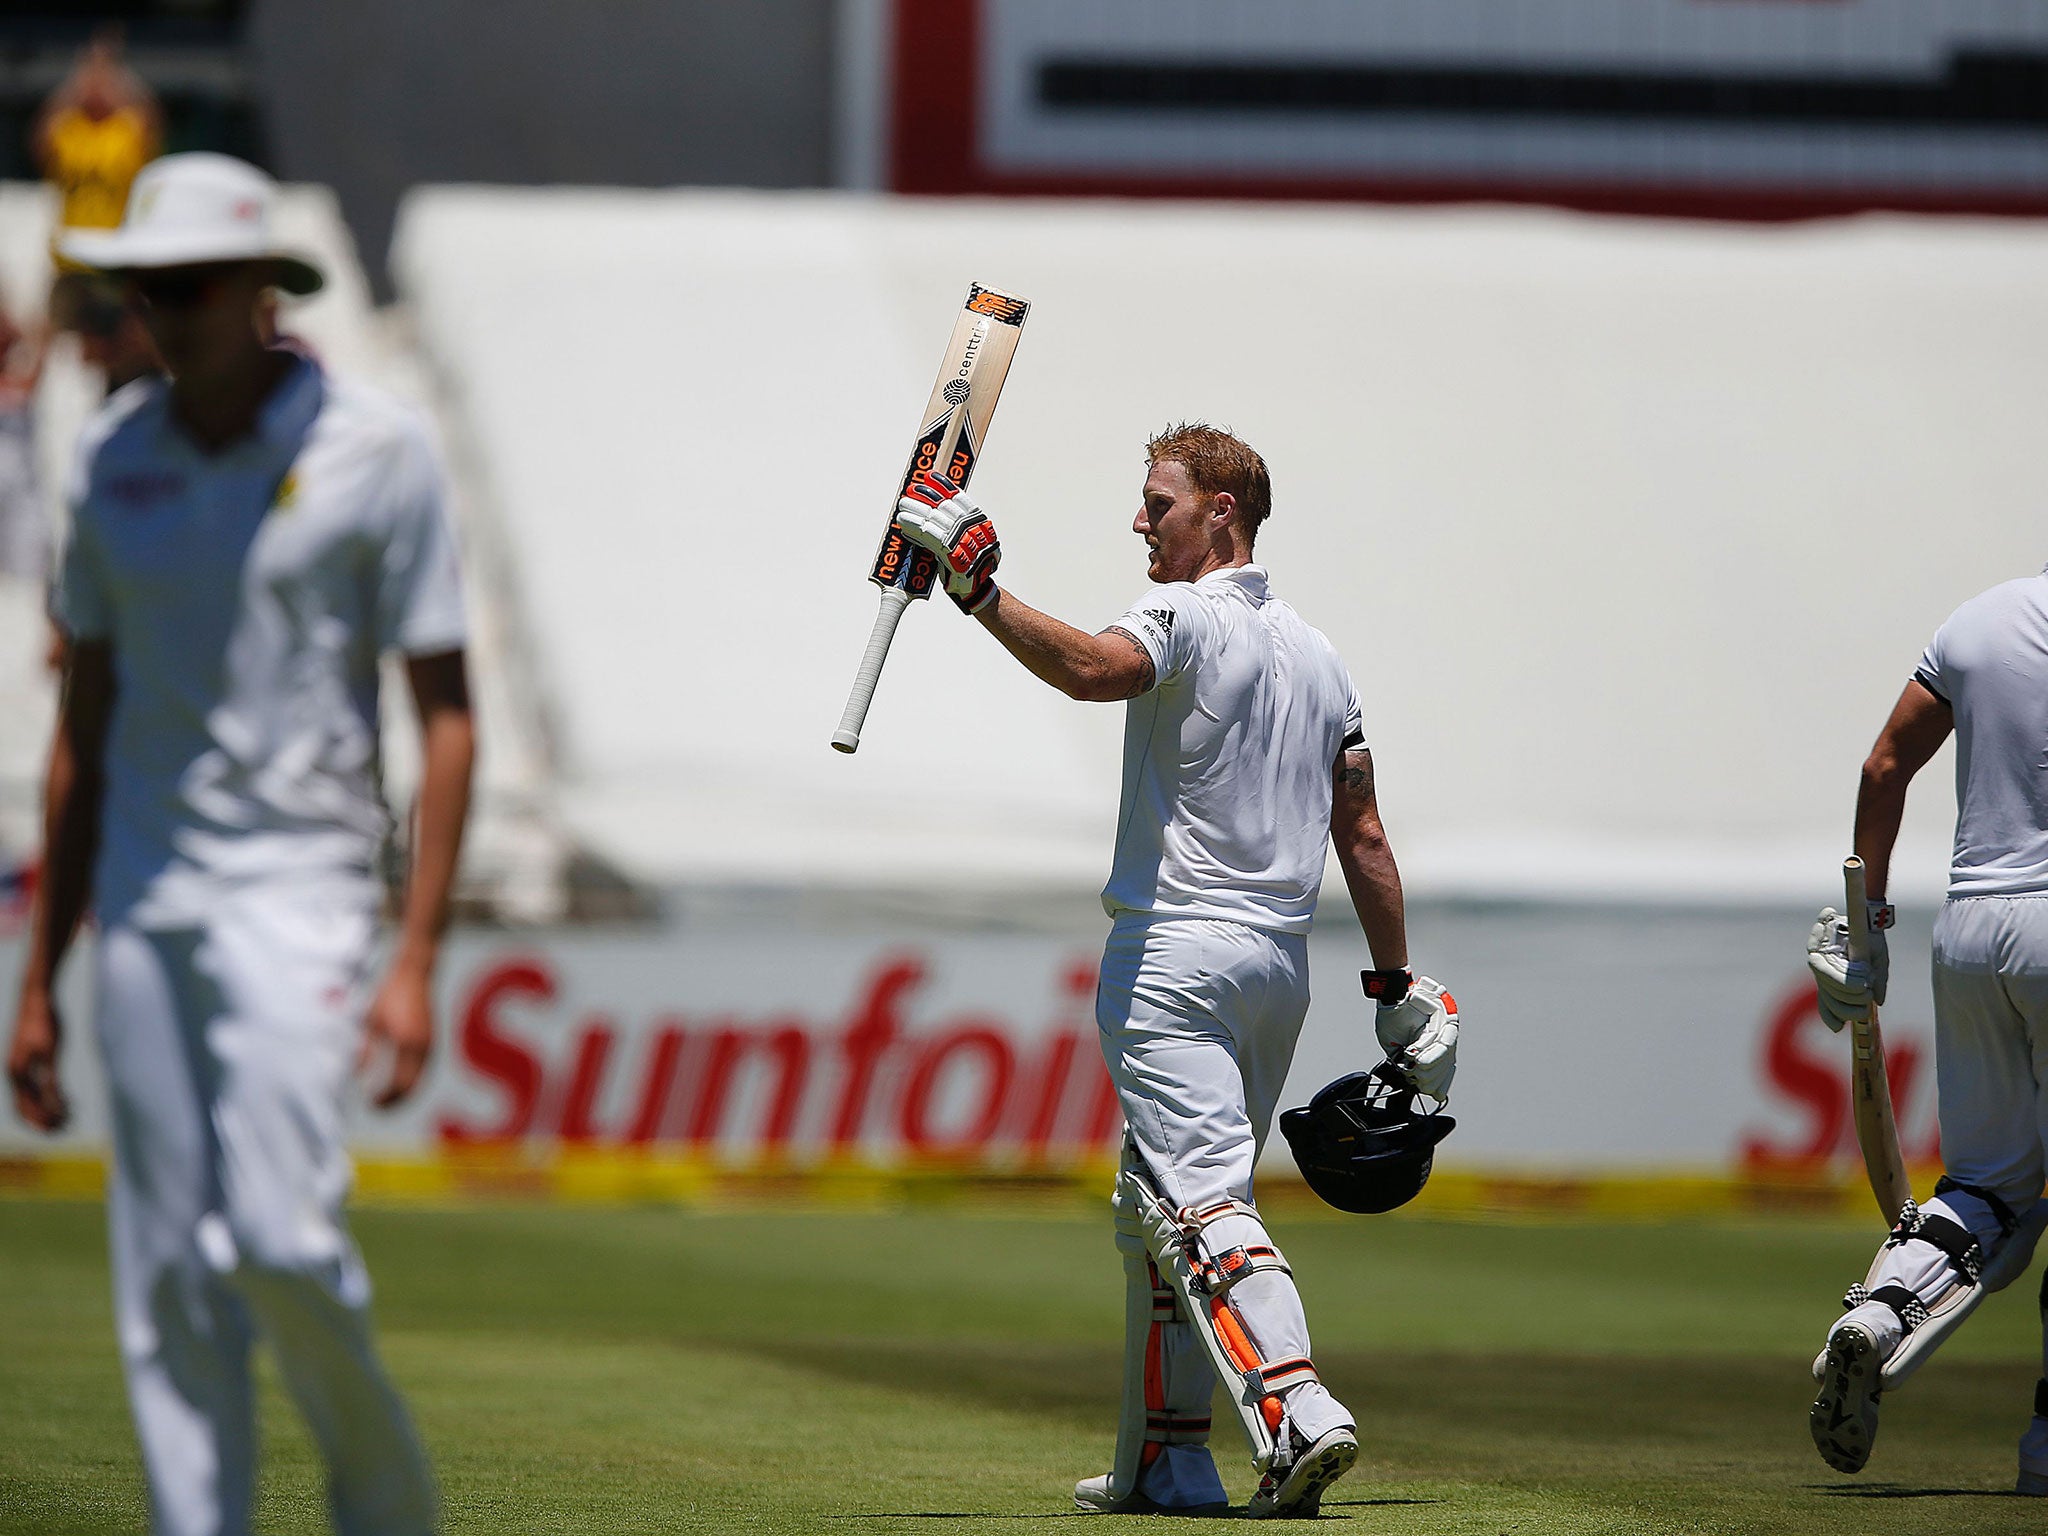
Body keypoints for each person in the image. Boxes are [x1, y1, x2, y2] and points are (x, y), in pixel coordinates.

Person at [5, 152, 474, 1536]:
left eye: (194, 286)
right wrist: (39, 977)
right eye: (148, 290)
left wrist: (415, 959)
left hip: (303, 890)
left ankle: (385, 1509)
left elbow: (446, 720)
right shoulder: (114, 455)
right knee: (163, 1276)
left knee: (279, 1241)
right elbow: (82, 726)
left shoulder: (377, 450)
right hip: (145, 900)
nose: (168, 313)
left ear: (264, 290)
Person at [894, 425, 1457, 1517]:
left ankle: (1293, 1404)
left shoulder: (1182, 616)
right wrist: (1392, 987)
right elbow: (1367, 836)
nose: (1139, 521)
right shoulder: (1320, 651)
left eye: (1159, 503)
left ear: (1221, 517)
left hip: (1171, 956)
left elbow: (1092, 670)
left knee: (1198, 1199)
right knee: (1150, 1203)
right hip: (1276, 971)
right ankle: (1165, 1459)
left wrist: (979, 591)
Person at [1805, 566, 2048, 1489]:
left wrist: (1864, 924)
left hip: (1974, 927)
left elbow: (1883, 766)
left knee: (1988, 1188)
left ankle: (1881, 1311)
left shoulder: (1978, 620)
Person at [35, 27, 161, 336]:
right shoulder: (71, 130)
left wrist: (115, 73)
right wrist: (79, 78)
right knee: (61, 353)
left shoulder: (124, 130)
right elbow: (41, 136)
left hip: (112, 265)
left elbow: (152, 118)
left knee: (114, 346)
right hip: (69, 264)